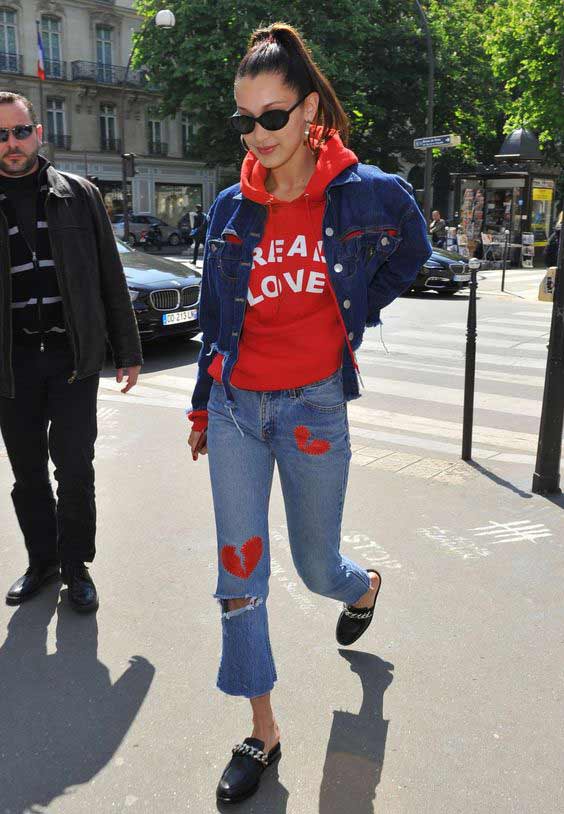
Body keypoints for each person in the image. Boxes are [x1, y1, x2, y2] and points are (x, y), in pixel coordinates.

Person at [186, 24, 431, 804]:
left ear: (310, 108)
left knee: (317, 565)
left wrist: (348, 318)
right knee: (239, 574)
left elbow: (411, 250)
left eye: (273, 116)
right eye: (245, 120)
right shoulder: (230, 208)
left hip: (313, 409)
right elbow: (213, 310)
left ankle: (363, 588)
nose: (257, 136)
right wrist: (201, 404)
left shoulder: (365, 191)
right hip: (236, 410)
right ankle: (263, 730)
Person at [0, 92, 143, 613]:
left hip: (71, 357)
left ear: (38, 133)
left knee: (75, 467)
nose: (11, 143)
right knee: (27, 471)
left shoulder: (78, 195)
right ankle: (43, 562)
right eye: (1, 135)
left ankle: (77, 564)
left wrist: (127, 350)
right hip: (12, 364)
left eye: (19, 131)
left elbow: (110, 273)